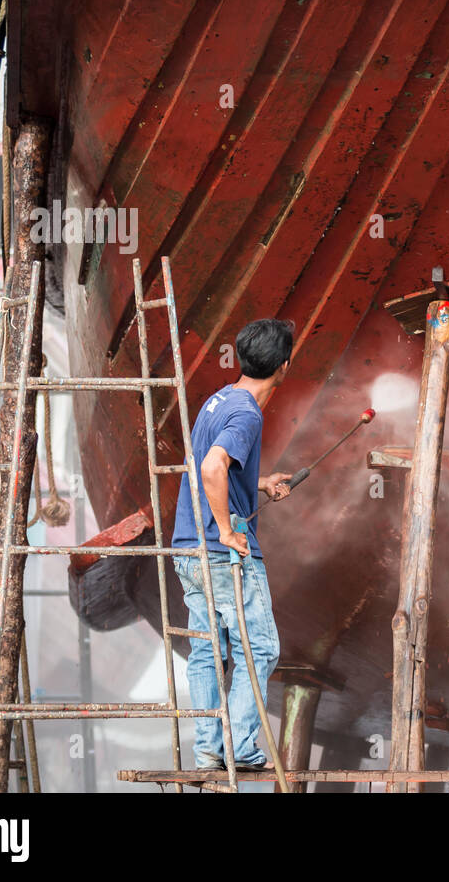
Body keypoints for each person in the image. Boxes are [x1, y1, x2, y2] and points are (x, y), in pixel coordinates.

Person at [171, 318, 294, 770]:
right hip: (222, 552)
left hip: (187, 546)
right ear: (284, 366)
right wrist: (226, 530)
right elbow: (211, 468)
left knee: (206, 647)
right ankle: (241, 748)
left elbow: (214, 464)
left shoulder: (218, 400)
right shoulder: (247, 412)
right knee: (260, 648)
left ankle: (208, 750)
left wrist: (257, 484)